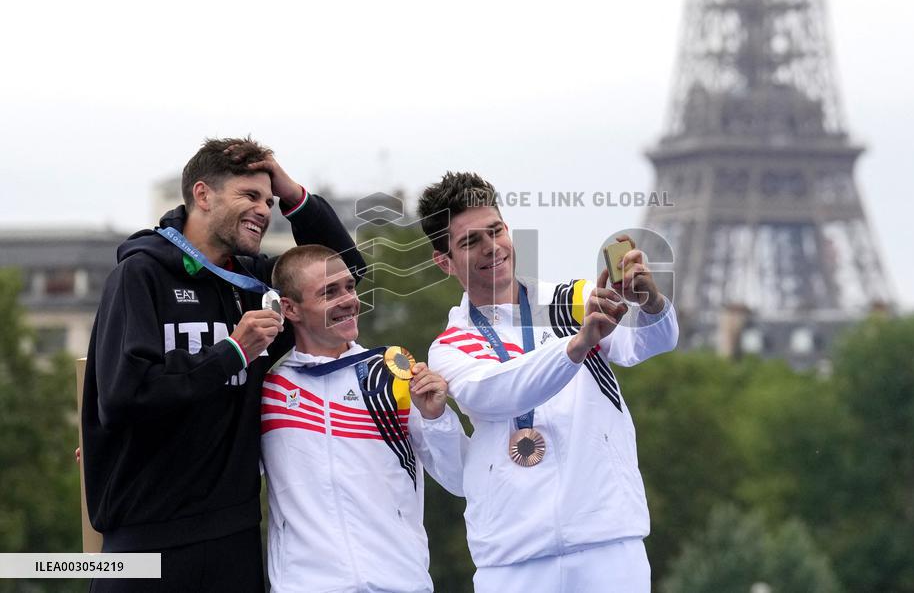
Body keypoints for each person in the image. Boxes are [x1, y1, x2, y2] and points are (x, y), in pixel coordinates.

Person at [81, 138, 365, 592]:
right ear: (202, 195)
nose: (263, 209)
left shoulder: (255, 283)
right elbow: (124, 395)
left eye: (268, 201)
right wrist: (230, 353)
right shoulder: (140, 275)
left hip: (234, 537)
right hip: (144, 540)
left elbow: (344, 271)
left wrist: (292, 193)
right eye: (249, 196)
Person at [417, 172, 679, 593]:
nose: (492, 248)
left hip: (607, 541)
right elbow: (497, 392)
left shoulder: (569, 301)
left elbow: (651, 343)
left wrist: (651, 303)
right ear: (444, 262)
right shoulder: (449, 347)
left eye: (496, 230)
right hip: (513, 556)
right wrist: (577, 346)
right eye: (470, 242)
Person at [261, 244, 466, 593]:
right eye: (329, 292)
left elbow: (461, 478)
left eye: (349, 287)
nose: (348, 300)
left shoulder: (391, 377)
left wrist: (436, 418)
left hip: (400, 583)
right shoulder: (268, 392)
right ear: (289, 308)